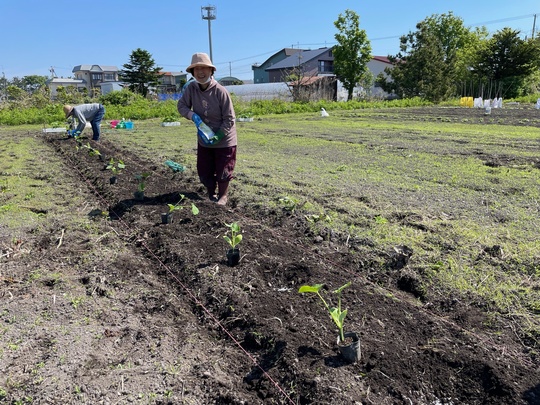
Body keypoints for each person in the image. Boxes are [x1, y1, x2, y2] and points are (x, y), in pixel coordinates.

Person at [178, 53, 237, 206]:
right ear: (192, 73)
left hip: (224, 138)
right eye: (196, 69)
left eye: (204, 68)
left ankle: (223, 196)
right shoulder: (191, 88)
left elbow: (230, 118)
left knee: (223, 169)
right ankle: (211, 194)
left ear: (211, 71)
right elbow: (182, 106)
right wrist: (193, 116)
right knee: (205, 169)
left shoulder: (220, 91)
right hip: (204, 137)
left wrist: (218, 136)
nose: (200, 72)